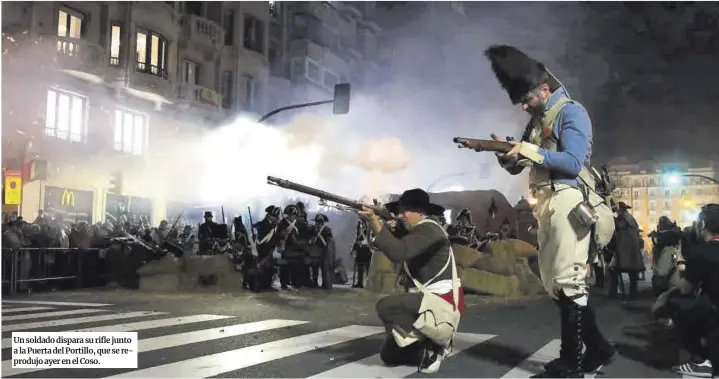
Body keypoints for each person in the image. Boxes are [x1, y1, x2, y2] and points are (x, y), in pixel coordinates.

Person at [480, 45, 616, 377]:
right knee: (555, 283)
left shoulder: (572, 112)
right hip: (546, 203)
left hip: (569, 199)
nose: (524, 106)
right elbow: (520, 165)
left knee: (568, 282)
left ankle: (572, 362)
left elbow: (571, 162)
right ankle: (598, 348)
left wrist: (526, 149)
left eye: (526, 99)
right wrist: (506, 155)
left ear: (544, 89)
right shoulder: (537, 122)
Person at [359, 188, 465, 374]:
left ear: (421, 212)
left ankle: (437, 345)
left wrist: (376, 223)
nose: (400, 215)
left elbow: (399, 252)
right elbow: (380, 245)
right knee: (389, 355)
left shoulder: (430, 228)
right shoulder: (415, 230)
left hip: (439, 303)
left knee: (386, 306)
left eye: (405, 211)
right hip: (422, 302)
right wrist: (379, 226)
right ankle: (424, 345)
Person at [654, 204, 719, 378]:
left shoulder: (704, 253)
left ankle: (700, 361)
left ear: (702, 224)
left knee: (677, 304)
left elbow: (684, 288)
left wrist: (665, 297)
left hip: (714, 310)